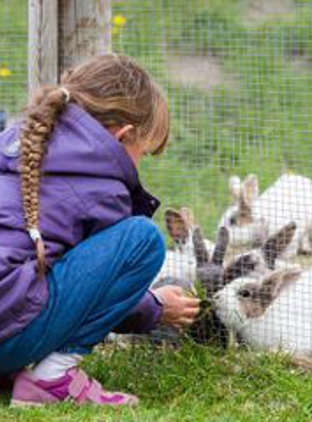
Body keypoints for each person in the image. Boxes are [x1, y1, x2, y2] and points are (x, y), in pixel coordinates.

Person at [0, 54, 200, 406]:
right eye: (143, 153)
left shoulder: (16, 143)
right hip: (6, 337)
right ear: (121, 136)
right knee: (142, 241)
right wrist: (154, 307)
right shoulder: (101, 187)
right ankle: (52, 377)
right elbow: (97, 292)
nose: (138, 166)